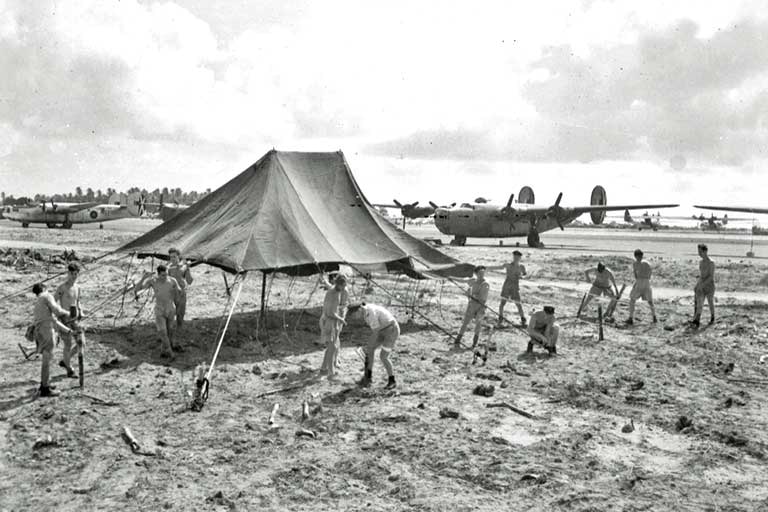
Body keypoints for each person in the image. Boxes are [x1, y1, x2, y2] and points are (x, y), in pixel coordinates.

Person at [134, 265, 183, 358]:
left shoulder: (172, 280)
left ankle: (164, 350)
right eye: (163, 275)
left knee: (170, 331)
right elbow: (138, 288)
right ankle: (170, 352)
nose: (165, 277)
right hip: (159, 309)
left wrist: (179, 292)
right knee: (163, 332)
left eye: (166, 275)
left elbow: (179, 290)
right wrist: (144, 278)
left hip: (170, 309)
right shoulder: (153, 281)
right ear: (158, 275)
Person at [32, 283, 72, 397]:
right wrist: (69, 313)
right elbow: (57, 311)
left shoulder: (39, 301)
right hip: (46, 332)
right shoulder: (46, 295)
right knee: (47, 360)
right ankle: (45, 389)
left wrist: (68, 330)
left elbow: (53, 319)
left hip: (40, 332)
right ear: (44, 288)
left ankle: (44, 383)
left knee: (46, 359)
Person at [351, 303, 400, 389]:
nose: (354, 317)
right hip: (382, 330)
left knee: (383, 357)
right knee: (370, 350)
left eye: (354, 315)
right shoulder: (365, 312)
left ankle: (392, 380)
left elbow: (375, 332)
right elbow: (376, 330)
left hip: (391, 330)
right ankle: (368, 377)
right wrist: (369, 347)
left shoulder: (370, 314)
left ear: (359, 310)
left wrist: (369, 345)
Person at [55, 263, 82, 378]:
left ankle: (65, 360)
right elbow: (53, 302)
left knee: (82, 343)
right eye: (72, 274)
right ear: (68, 273)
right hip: (64, 319)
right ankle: (69, 370)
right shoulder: (62, 288)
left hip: (74, 319)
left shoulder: (78, 287)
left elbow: (77, 301)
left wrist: (81, 311)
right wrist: (58, 316)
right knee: (67, 344)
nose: (74, 276)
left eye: (76, 274)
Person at [319, 273, 348, 379]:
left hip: (327, 321)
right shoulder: (335, 294)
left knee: (332, 347)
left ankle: (323, 368)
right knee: (332, 348)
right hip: (330, 322)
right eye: (343, 286)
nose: (344, 288)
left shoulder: (332, 290)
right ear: (339, 284)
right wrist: (341, 319)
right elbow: (331, 312)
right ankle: (331, 373)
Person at [489, 250, 527, 327]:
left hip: (515, 287)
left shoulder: (521, 267)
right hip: (507, 286)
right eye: (515, 257)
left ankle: (523, 319)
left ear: (520, 258)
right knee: (503, 303)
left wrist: (522, 277)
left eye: (518, 257)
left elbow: (525, 274)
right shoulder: (508, 265)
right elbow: (499, 267)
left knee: (518, 304)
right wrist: (487, 268)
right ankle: (500, 317)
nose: (516, 258)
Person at [455, 265, 490, 348]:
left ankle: (475, 343)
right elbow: (462, 281)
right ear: (476, 273)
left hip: (480, 306)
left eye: (483, 273)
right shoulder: (473, 281)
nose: (481, 275)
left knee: (478, 324)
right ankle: (458, 339)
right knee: (465, 322)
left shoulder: (485, 284)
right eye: (480, 273)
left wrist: (470, 295)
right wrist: (451, 278)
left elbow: (482, 298)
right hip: (472, 305)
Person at [626, 249, 657, 325]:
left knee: (632, 300)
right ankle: (654, 316)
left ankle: (630, 318)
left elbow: (636, 275)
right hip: (646, 282)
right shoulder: (647, 263)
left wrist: (637, 283)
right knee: (650, 301)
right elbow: (650, 274)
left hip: (640, 281)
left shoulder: (635, 264)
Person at [167, 248, 193, 330]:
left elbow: (190, 281)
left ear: (178, 257)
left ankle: (179, 329)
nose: (172, 259)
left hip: (181, 293)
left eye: (174, 257)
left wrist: (187, 268)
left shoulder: (183, 267)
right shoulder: (168, 268)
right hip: (171, 293)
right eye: (171, 257)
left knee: (180, 313)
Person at [691, 244, 715, 326]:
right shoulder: (701, 262)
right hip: (702, 284)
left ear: (705, 251)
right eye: (698, 251)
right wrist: (698, 285)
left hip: (709, 286)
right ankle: (697, 319)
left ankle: (712, 317)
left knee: (710, 302)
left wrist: (703, 285)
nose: (699, 253)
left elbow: (711, 277)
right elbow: (701, 275)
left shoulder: (711, 263)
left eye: (700, 251)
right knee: (699, 302)